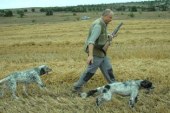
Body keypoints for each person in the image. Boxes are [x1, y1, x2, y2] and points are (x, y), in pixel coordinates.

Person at [73, 9, 117, 93]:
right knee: (90, 72)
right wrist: (90, 55)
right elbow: (91, 41)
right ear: (104, 16)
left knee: (108, 69)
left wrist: (109, 36)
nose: (111, 19)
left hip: (101, 52)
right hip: (95, 52)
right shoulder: (98, 25)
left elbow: (100, 36)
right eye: (110, 17)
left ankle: (115, 86)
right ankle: (77, 87)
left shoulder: (103, 23)